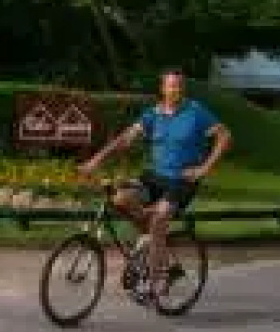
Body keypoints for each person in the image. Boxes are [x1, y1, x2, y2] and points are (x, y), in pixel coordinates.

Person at [79, 69, 232, 302]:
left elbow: (224, 136)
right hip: (155, 176)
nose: (175, 90)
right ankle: (164, 258)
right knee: (120, 199)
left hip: (183, 179)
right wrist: (95, 160)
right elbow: (125, 139)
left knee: (160, 219)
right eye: (171, 86)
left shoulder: (196, 112)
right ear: (163, 89)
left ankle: (154, 281)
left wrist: (205, 169)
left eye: (179, 86)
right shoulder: (153, 114)